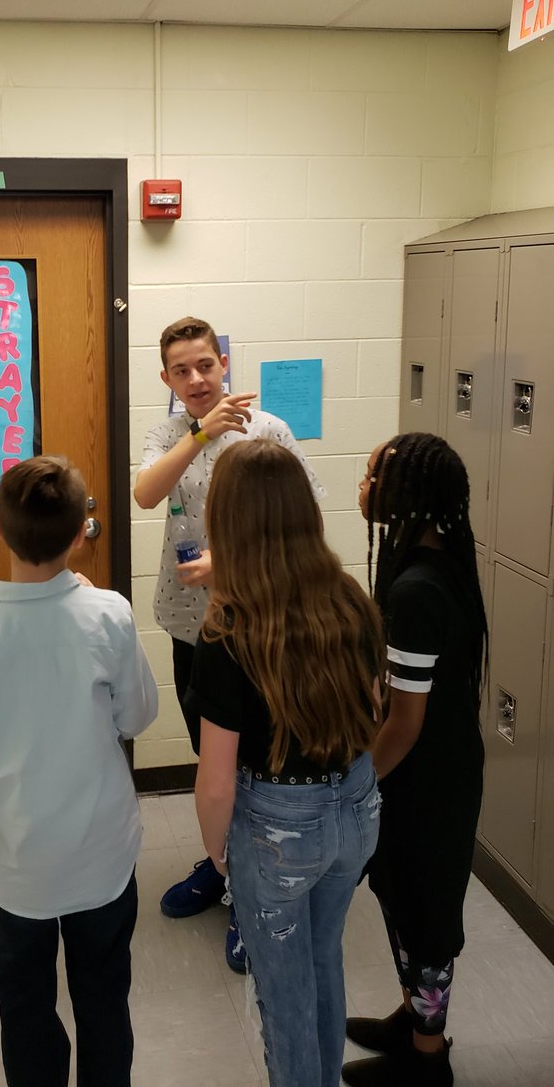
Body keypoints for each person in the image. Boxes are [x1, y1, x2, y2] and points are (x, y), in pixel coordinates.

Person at [0, 455, 157, 1087]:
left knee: (26, 1006)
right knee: (104, 1000)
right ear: (80, 532)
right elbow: (138, 716)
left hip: (17, 868)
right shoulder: (108, 614)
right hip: (102, 858)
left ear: (0, 531)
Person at [190, 439, 384, 1087]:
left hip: (276, 825)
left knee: (285, 992)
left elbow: (216, 780)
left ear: (227, 521)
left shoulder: (227, 630)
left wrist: (220, 851)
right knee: (324, 957)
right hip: (355, 807)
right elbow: (373, 709)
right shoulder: (350, 599)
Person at [134, 316, 324, 970]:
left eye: (204, 366)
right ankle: (221, 863)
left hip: (262, 628)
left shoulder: (267, 430)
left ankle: (252, 891)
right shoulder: (167, 431)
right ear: (166, 379)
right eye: (180, 370)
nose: (195, 379)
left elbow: (308, 519)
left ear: (224, 363)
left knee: (254, 766)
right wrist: (197, 434)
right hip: (192, 624)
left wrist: (233, 560)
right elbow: (145, 492)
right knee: (207, 754)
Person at [342, 433, 488, 1087]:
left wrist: (352, 787)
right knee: (400, 895)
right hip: (429, 773)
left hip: (426, 781)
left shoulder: (417, 592)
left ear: (408, 498)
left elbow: (404, 723)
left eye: (374, 477)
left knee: (425, 915)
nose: (364, 487)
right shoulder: (428, 566)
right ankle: (412, 1021)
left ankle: (428, 1061)